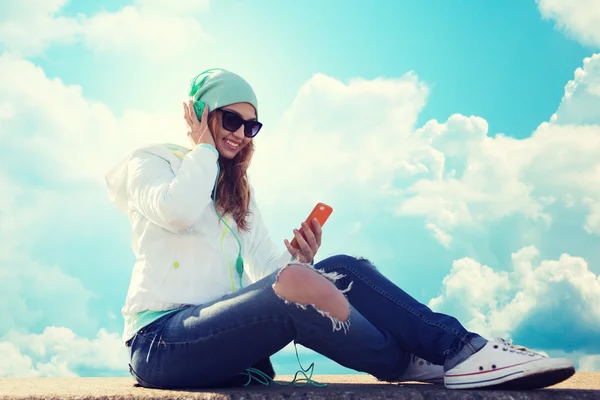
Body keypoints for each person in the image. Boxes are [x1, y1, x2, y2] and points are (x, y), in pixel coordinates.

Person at [105, 68, 575, 391]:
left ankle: (457, 349)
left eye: (252, 126)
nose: (241, 134)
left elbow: (270, 271)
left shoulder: (235, 191)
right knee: (299, 286)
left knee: (341, 269)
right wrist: (203, 149)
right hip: (160, 342)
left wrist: (303, 262)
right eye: (231, 120)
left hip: (221, 337)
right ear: (202, 113)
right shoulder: (152, 162)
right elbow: (178, 212)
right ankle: (421, 356)